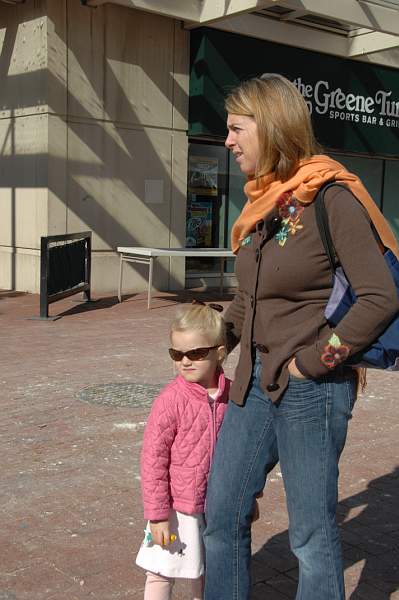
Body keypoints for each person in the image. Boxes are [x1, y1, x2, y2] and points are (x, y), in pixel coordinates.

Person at [203, 73, 399, 600]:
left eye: (235, 128)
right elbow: (250, 298)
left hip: (310, 390)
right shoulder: (265, 205)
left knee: (311, 537)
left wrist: (314, 361)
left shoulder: (330, 198)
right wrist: (210, 342)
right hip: (251, 386)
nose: (228, 141)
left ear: (270, 128)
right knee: (221, 519)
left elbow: (381, 297)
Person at [136, 301, 230, 600]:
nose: (185, 361)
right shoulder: (170, 400)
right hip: (177, 507)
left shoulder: (233, 396)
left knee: (208, 570)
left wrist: (249, 496)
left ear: (219, 352)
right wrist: (158, 515)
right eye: (176, 354)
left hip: (216, 503)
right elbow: (153, 459)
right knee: (161, 569)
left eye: (195, 353)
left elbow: (243, 454)